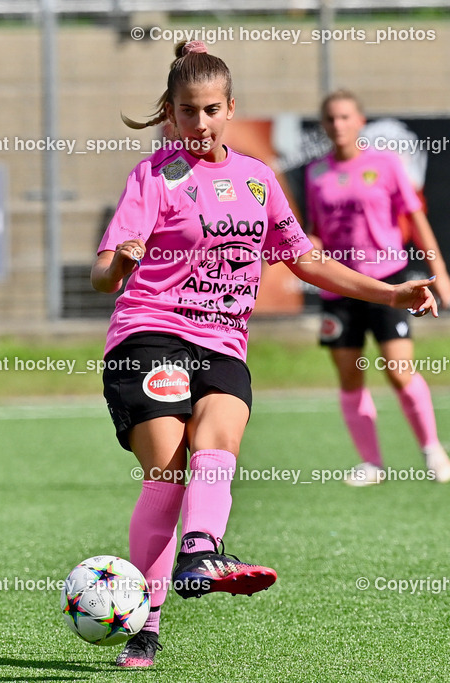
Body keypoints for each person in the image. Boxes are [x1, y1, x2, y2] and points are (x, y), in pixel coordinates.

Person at [91, 41, 438, 669]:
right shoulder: (153, 176)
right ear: (169, 114)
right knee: (167, 478)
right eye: (187, 112)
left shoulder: (257, 179)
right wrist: (120, 258)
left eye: (211, 110)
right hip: (149, 334)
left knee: (221, 435)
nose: (200, 124)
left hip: (222, 340)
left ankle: (202, 552)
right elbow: (101, 278)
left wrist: (392, 289)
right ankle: (146, 625)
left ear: (231, 109)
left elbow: (307, 260)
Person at [305, 91, 450, 487]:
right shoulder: (316, 173)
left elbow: (416, 221)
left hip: (388, 281)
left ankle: (434, 449)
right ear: (324, 125)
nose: (338, 125)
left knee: (399, 371)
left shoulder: (386, 164)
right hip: (340, 287)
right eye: (331, 119)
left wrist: (441, 276)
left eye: (345, 117)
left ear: (360, 121)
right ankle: (371, 463)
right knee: (350, 377)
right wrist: (311, 246)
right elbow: (316, 233)